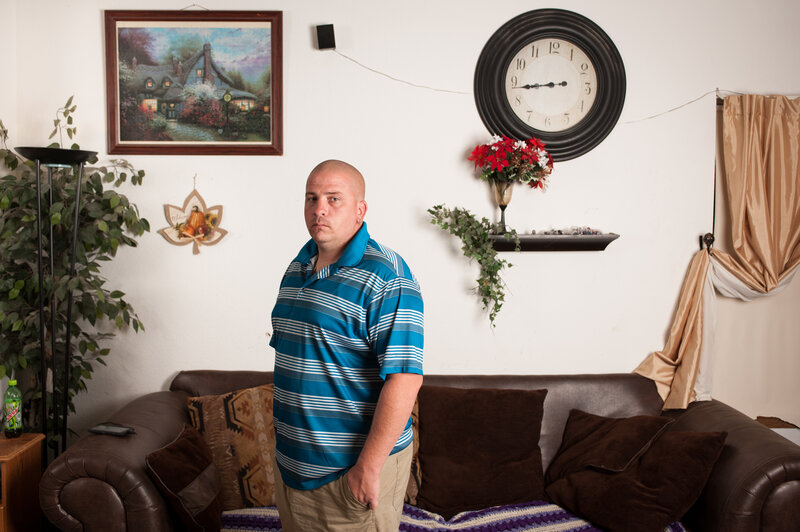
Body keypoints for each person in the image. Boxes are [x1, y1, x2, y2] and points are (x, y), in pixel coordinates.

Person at [270, 160, 424, 531]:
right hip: (292, 472)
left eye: (333, 199)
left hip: (348, 475)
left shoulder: (387, 277)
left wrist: (367, 468)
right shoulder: (298, 265)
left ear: (360, 210)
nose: (319, 209)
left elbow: (405, 380)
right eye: (312, 198)